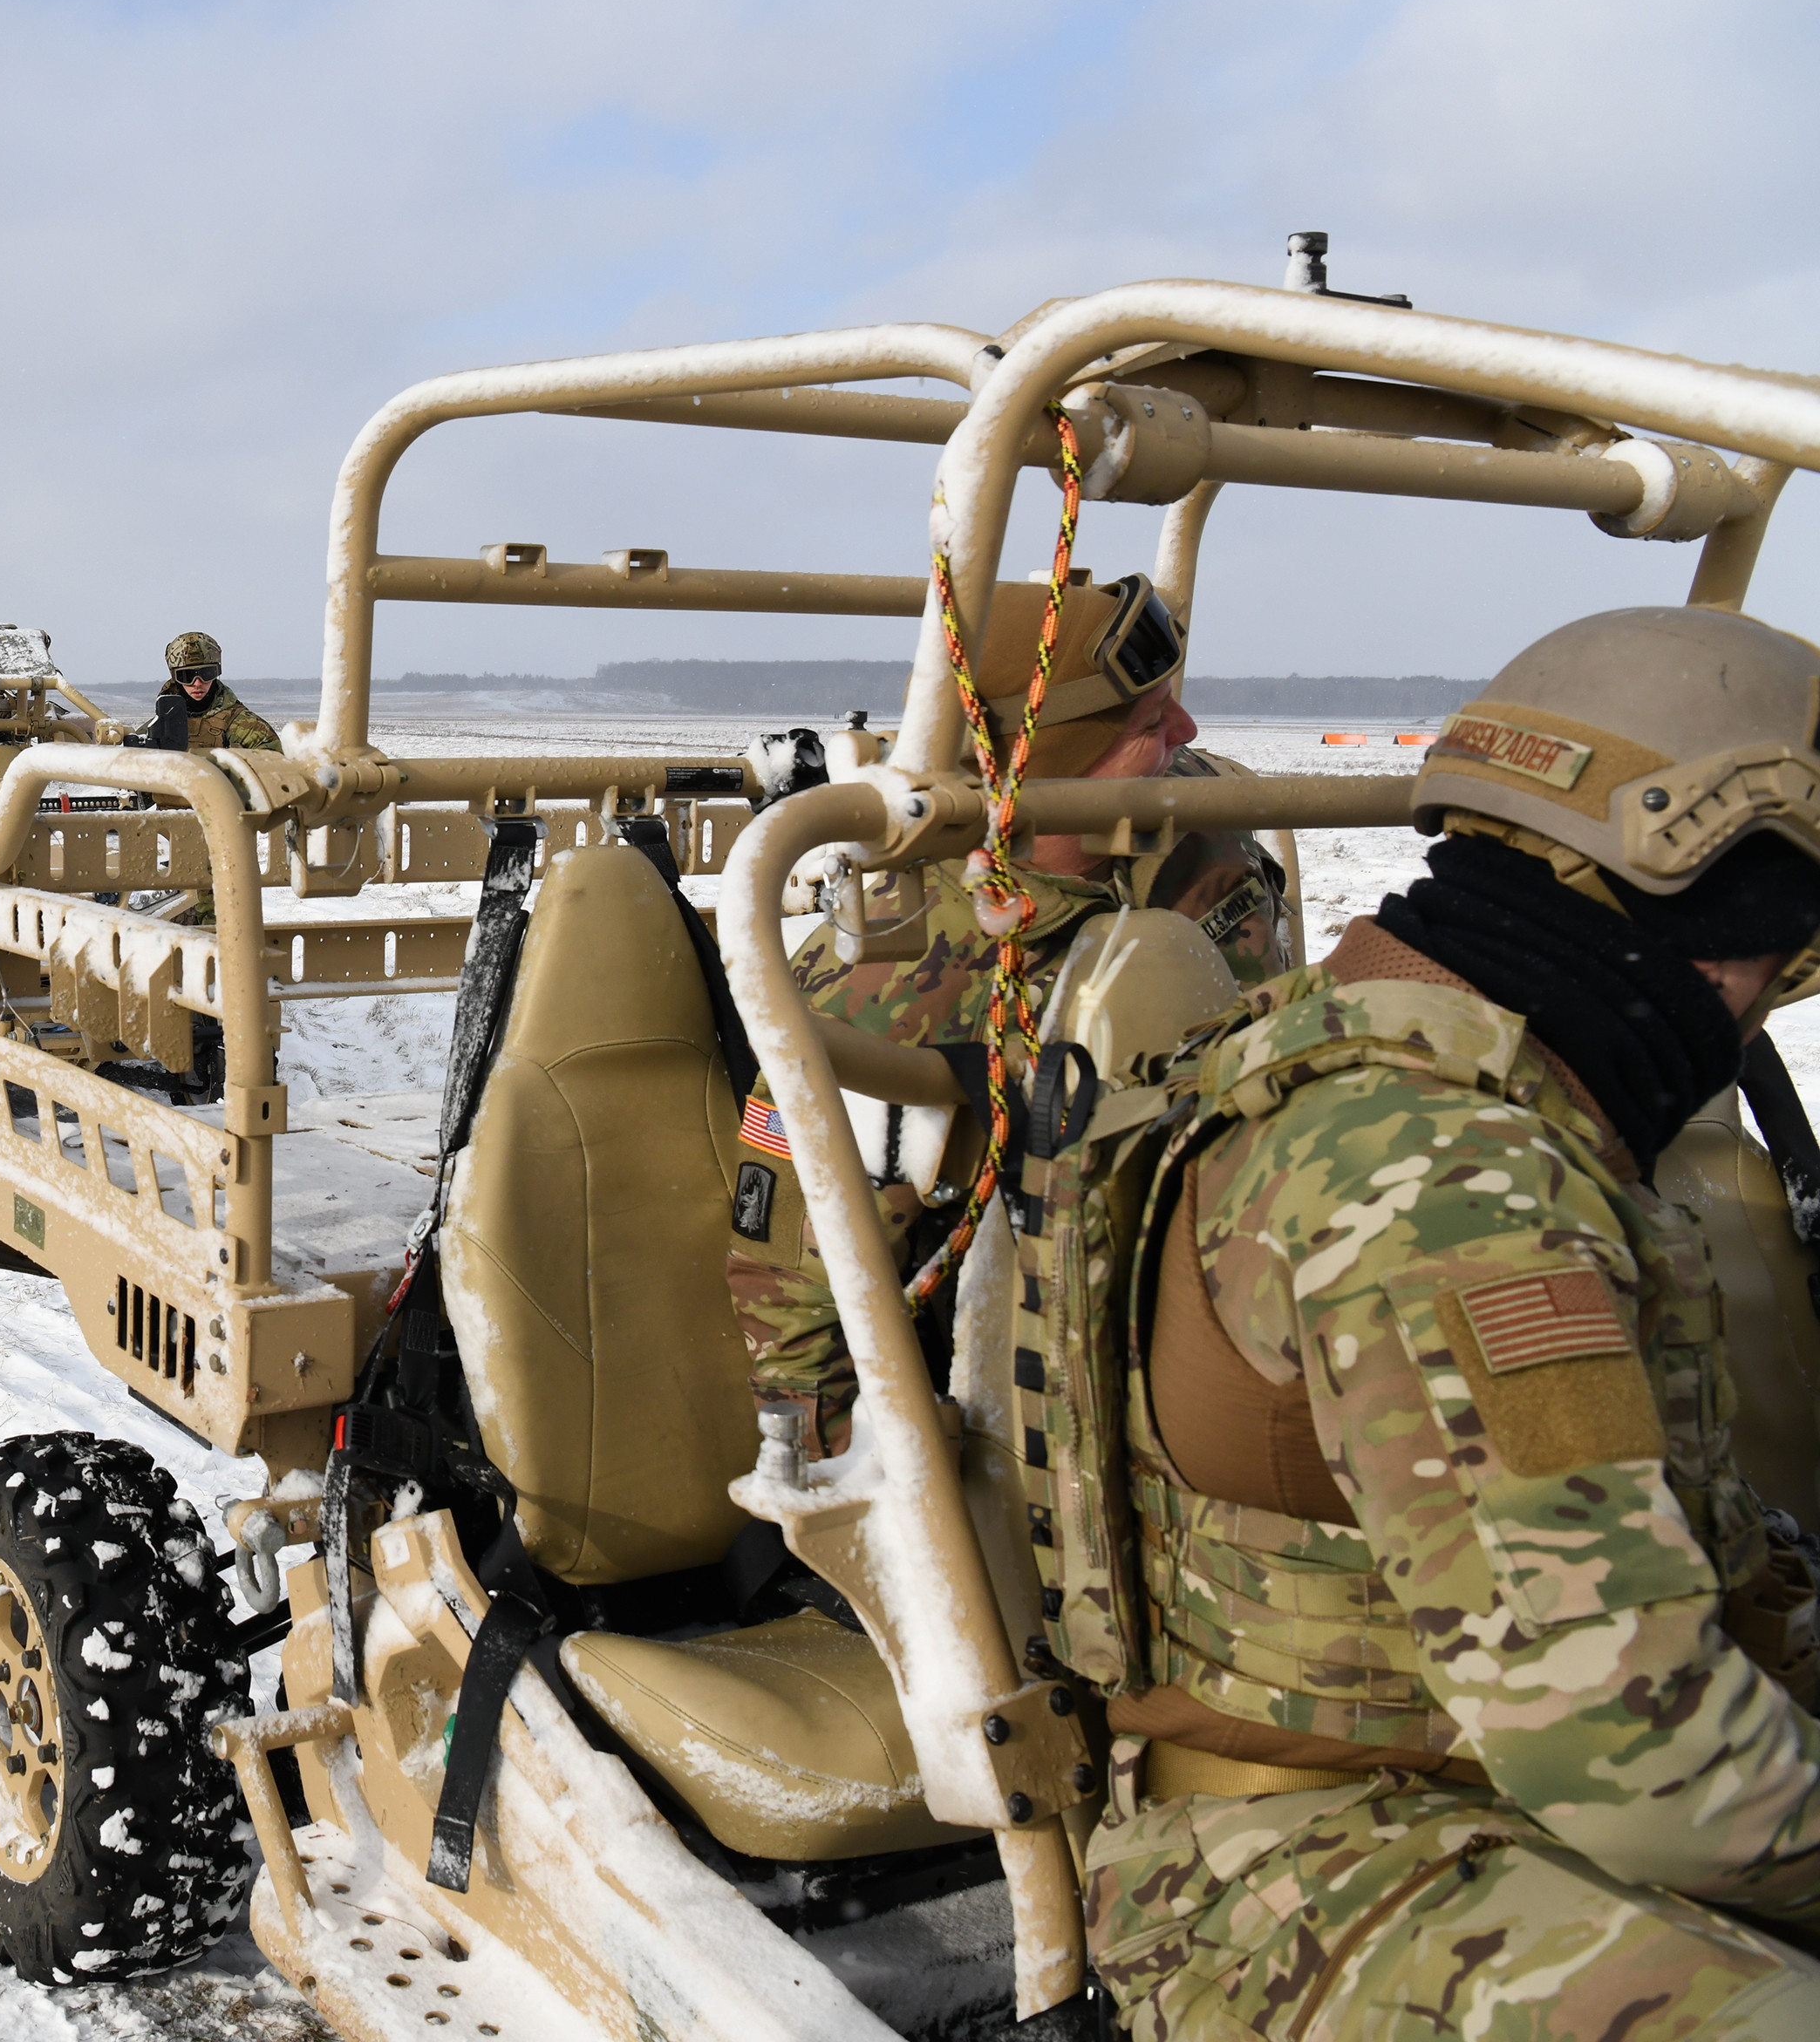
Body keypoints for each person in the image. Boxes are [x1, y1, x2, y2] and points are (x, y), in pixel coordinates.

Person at [1087, 605, 1820, 2038]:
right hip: (1303, 1876)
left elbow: (1697, 1589)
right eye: (1774, 962)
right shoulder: (1447, 1187)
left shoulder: (1416, 1086)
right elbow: (1638, 1756)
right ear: (1696, 917)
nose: (1758, 1013)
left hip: (1470, 1800)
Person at [729, 575, 1291, 1450]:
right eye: (1151, 726)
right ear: (1049, 767)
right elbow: (796, 1313)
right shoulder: (894, 979)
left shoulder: (1199, 842)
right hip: (1030, 1383)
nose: (1187, 736)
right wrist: (866, 1507)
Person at [132, 632, 280, 754]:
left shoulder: (248, 728)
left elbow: (276, 774)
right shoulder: (156, 730)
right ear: (175, 678)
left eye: (206, 674)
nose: (197, 683)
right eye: (187, 676)